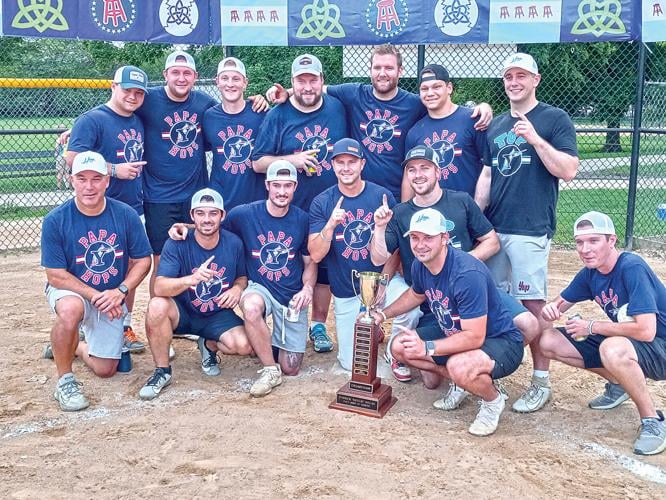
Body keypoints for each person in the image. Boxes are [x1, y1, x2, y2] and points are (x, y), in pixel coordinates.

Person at [371, 145, 538, 399]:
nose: (418, 175)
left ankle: (482, 367)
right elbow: (379, 257)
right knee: (430, 381)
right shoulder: (402, 213)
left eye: (424, 168)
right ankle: (463, 377)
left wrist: (456, 268)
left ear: (438, 171)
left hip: (471, 288)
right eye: (412, 170)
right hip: (434, 300)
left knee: (528, 324)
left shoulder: (460, 201)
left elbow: (491, 242)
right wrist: (380, 228)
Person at [475, 52, 579, 413]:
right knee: (493, 303)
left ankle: (541, 380)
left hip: (530, 228)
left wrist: (535, 139)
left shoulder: (554, 119)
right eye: (508, 76)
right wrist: (477, 217)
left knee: (533, 305)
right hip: (495, 230)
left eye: (521, 75)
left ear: (535, 80)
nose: (514, 82)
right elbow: (488, 175)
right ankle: (496, 369)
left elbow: (568, 170)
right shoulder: (497, 124)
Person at [267, 44, 492, 201]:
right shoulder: (354, 94)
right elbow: (313, 89)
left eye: (389, 68)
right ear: (370, 70)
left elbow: (444, 107)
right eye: (377, 67)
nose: (382, 73)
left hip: (397, 193)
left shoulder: (414, 103)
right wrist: (285, 94)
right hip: (357, 193)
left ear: (400, 71)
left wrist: (481, 107)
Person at [372, 208, 524, 436]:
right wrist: (383, 314)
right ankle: (461, 383)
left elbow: (475, 336)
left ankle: (493, 399)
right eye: (415, 237)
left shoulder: (466, 274)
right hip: (454, 332)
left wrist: (428, 347)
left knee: (457, 366)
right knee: (399, 347)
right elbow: (415, 295)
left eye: (428, 237)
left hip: (499, 341)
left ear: (445, 238)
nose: (420, 244)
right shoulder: (420, 264)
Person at [540, 212, 666, 455]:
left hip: (660, 344)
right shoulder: (591, 273)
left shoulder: (632, 267)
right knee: (548, 341)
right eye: (579, 242)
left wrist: (591, 327)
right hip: (634, 342)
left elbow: (646, 330)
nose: (585, 249)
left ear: (612, 241)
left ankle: (653, 421)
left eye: (594, 241)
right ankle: (619, 383)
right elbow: (559, 304)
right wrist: (550, 310)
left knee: (612, 348)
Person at [41, 151, 152, 411]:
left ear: (107, 182)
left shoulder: (125, 215)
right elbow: (55, 275)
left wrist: (121, 291)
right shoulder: (56, 220)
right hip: (73, 291)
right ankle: (65, 381)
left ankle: (76, 346)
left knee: (106, 369)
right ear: (72, 180)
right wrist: (97, 296)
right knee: (71, 310)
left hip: (111, 294)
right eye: (82, 178)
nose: (89, 186)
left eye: (96, 179)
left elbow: (143, 261)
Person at [253, 53, 349, 353]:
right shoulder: (278, 114)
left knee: (325, 268)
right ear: (292, 82)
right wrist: (290, 160)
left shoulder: (337, 106)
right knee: (290, 263)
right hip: (290, 206)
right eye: (300, 80)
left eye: (313, 79)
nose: (307, 86)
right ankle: (281, 321)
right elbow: (257, 162)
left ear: (323, 81)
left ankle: (318, 325)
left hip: (328, 203)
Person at [66, 65, 149, 353]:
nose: (133, 96)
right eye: (127, 90)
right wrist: (114, 170)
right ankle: (77, 329)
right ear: (113, 86)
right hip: (95, 209)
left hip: (130, 207)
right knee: (91, 266)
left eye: (139, 92)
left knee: (128, 269)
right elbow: (73, 158)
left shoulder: (136, 119)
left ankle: (122, 325)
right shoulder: (93, 119)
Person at [139, 188, 251, 400]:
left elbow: (241, 277)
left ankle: (208, 345)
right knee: (157, 306)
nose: (206, 219)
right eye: (200, 213)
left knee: (243, 346)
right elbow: (159, 288)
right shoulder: (177, 242)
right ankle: (162, 370)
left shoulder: (233, 243)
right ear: (192, 216)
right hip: (184, 310)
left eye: (213, 213)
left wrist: (237, 288)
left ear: (222, 216)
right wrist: (191, 279)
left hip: (216, 313)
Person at [308, 138, 396, 371]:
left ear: (362, 164)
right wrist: (330, 226)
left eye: (352, 162)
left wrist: (384, 282)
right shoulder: (323, 202)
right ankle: (368, 328)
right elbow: (316, 255)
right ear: (333, 166)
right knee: (350, 364)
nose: (346, 168)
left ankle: (398, 351)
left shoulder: (382, 197)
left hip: (382, 284)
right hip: (347, 289)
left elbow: (395, 250)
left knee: (410, 301)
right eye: (340, 162)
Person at [229, 161, 316, 396]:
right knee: (251, 307)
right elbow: (212, 227)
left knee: (291, 367)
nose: (281, 191)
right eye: (276, 185)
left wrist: (307, 288)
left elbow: (310, 262)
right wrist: (185, 228)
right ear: (267, 185)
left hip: (290, 294)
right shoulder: (244, 214)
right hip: (260, 287)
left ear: (295, 187)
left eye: (288, 186)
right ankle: (269, 369)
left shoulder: (302, 219)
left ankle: (269, 345)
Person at [403, 64, 488, 199]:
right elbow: (408, 176)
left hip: (467, 210)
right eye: (424, 89)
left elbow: (488, 169)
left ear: (449, 88)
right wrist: (405, 214)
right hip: (430, 212)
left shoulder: (473, 120)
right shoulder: (415, 132)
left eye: (436, 87)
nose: (430, 93)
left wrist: (478, 208)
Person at [203, 57, 267, 211]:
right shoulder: (208, 116)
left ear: (245, 83)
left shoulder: (262, 113)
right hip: (221, 202)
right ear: (217, 81)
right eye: (225, 78)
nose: (230, 84)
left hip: (257, 202)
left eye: (236, 79)